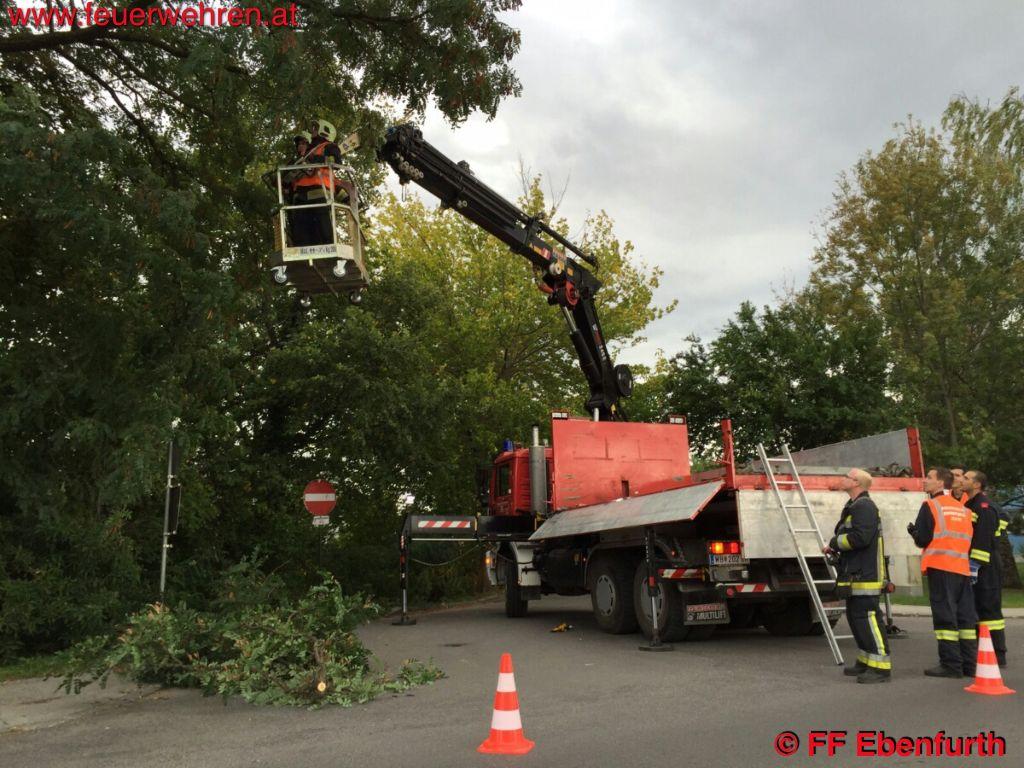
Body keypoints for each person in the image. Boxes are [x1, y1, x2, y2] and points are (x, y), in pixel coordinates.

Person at [908, 467, 977, 678]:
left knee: (945, 617)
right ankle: (970, 665)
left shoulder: (930, 505)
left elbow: (923, 539)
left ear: (940, 483)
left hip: (941, 567)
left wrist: (913, 532)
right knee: (965, 618)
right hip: (962, 569)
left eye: (929, 477)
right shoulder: (963, 509)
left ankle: (950, 665)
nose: (924, 481)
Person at [824, 468, 890, 684]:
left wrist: (835, 543)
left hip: (865, 574)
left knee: (868, 618)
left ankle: (881, 668)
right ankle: (866, 660)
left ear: (856, 483)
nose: (842, 479)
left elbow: (860, 538)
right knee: (856, 618)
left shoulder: (865, 507)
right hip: (854, 571)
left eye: (847, 477)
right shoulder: (854, 506)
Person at [965, 470, 1007, 667]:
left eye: (966, 478)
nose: (961, 480)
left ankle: (998, 655)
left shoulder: (983, 506)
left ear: (977, 485)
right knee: (979, 610)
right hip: (979, 565)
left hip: (986, 566)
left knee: (989, 611)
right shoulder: (970, 504)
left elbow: (983, 540)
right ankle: (984, 651)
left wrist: (974, 566)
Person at [291, 118, 346, 245]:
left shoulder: (329, 147)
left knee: (324, 228)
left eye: (316, 128)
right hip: (301, 195)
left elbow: (336, 162)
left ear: (324, 131)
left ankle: (329, 251)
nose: (313, 131)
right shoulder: (309, 150)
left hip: (319, 191)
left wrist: (316, 158)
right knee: (301, 231)